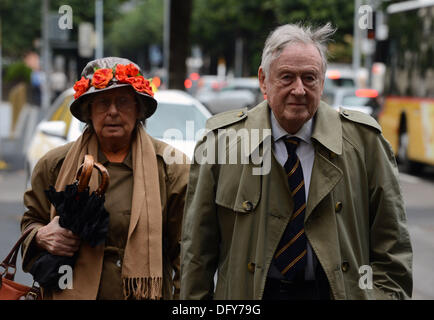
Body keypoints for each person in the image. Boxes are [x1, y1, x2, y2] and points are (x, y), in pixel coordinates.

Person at [180, 23, 413, 300]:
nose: (299, 90)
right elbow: (197, 253)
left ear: (323, 82)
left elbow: (392, 248)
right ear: (264, 81)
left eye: (309, 78)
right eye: (287, 77)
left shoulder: (365, 144)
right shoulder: (221, 145)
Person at [21, 57, 189, 300]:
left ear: (138, 108)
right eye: (102, 102)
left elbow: (186, 250)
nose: (113, 111)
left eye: (122, 101)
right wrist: (41, 235)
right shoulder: (55, 165)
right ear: (88, 110)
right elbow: (31, 221)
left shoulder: (171, 168)